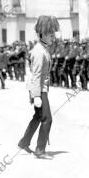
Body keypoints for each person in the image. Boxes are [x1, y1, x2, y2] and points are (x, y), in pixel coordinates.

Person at [18, 15, 59, 158]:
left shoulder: (43, 48)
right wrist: (36, 96)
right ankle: (40, 150)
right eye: (50, 34)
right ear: (43, 34)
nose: (53, 37)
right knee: (47, 119)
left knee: (38, 116)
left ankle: (24, 142)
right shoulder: (39, 51)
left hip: (41, 88)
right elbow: (35, 75)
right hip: (39, 89)